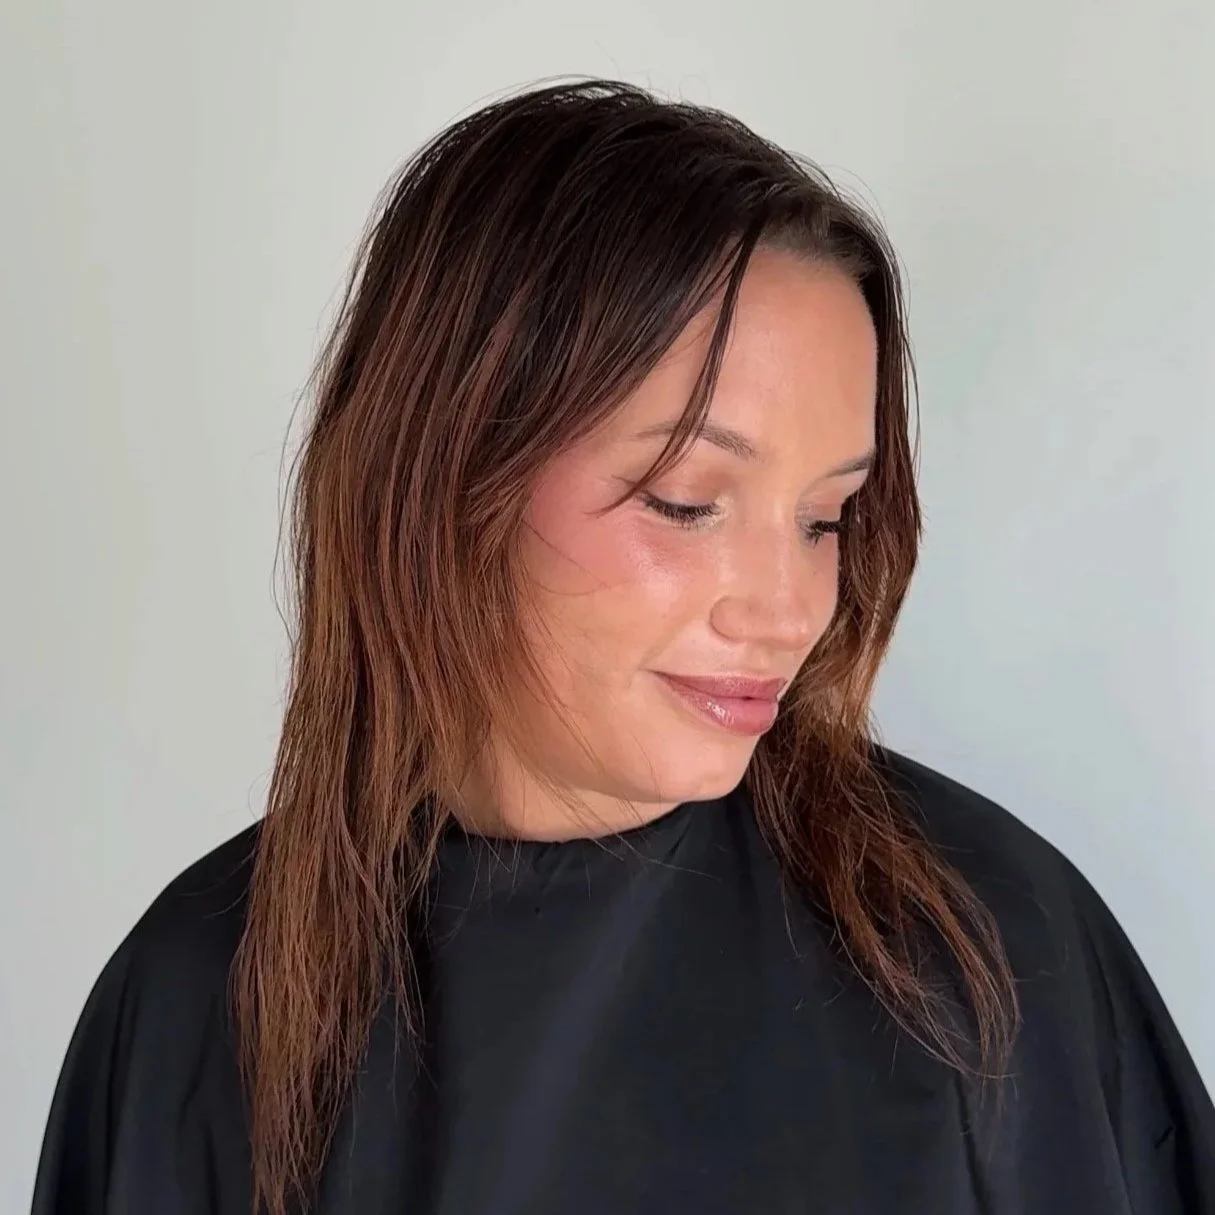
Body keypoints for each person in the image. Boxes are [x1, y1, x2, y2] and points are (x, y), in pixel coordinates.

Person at [31, 78, 1215, 1215]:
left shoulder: (984, 943)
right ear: (442, 481)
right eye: (686, 502)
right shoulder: (196, 1003)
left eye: (825, 518)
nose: (788, 611)